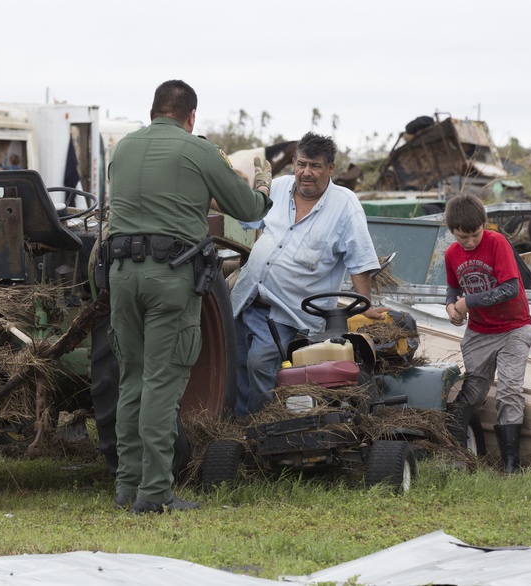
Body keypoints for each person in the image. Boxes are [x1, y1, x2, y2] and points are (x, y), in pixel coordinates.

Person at [107, 80, 272, 513]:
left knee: (132, 380)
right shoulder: (199, 150)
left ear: (153, 110)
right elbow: (248, 209)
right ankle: (156, 492)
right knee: (162, 384)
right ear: (191, 116)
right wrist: (263, 185)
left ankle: (126, 485)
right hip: (170, 277)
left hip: (121, 275)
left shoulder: (122, 149)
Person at [230, 132, 385, 418]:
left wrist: (364, 306)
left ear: (331, 168)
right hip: (247, 297)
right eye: (301, 164)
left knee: (258, 364)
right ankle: (238, 426)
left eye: (315, 166)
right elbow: (247, 217)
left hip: (290, 315)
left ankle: (262, 427)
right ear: (293, 163)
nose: (306, 173)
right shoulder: (278, 188)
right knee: (236, 363)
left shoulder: (345, 206)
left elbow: (360, 262)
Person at [443, 194, 531, 473]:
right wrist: (451, 307)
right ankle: (458, 451)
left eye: (474, 235)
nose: (469, 242)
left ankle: (510, 464)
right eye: (462, 237)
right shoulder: (451, 255)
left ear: (485, 224)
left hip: (513, 327)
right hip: (479, 331)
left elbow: (510, 288)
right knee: (473, 389)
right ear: (451, 232)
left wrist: (468, 302)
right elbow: (453, 289)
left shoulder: (497, 243)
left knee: (509, 389)